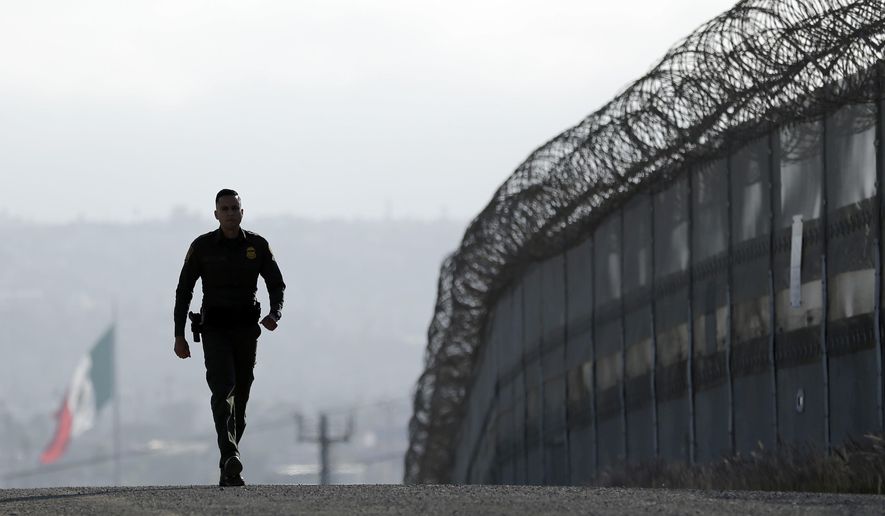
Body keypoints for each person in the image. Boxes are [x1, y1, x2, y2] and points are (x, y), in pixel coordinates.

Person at [173, 188, 285, 487]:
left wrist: (275, 313)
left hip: (247, 330)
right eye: (225, 209)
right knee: (223, 390)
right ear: (216, 214)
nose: (230, 213)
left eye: (235, 208)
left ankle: (227, 464)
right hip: (215, 330)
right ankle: (232, 454)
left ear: (242, 211)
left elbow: (276, 284)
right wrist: (179, 335)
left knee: (242, 400)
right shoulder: (203, 247)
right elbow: (184, 292)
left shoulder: (257, 246)